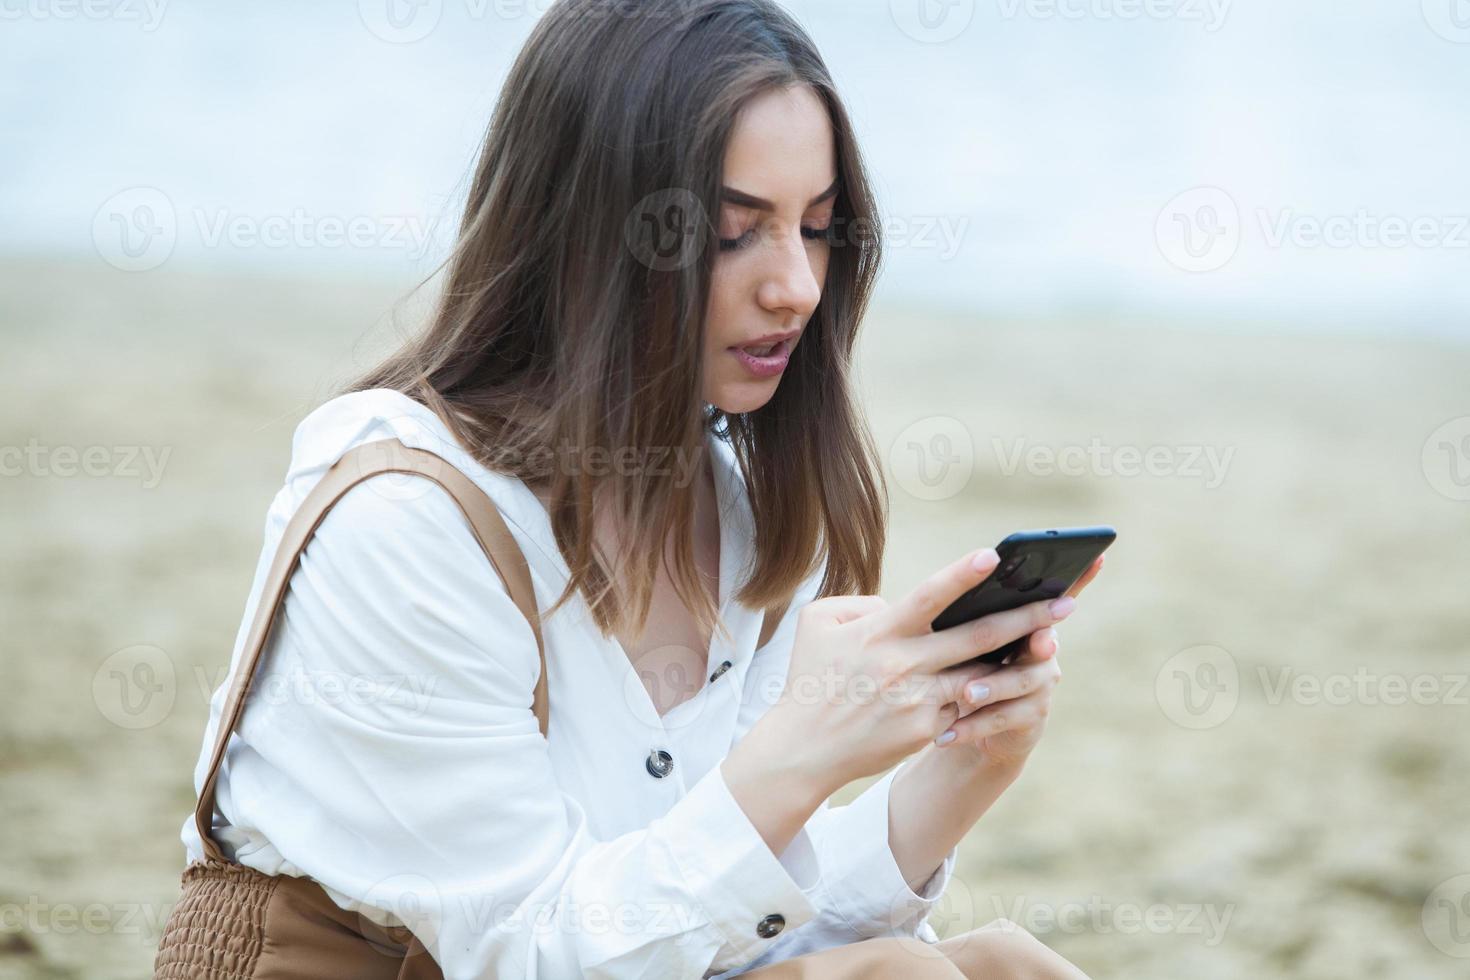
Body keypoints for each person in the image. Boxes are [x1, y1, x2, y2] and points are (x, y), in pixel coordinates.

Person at [178, 1, 1100, 976]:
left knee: (1004, 961)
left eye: (819, 228)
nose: (796, 284)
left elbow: (703, 930)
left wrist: (956, 772)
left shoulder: (738, 511)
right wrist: (798, 754)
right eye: (738, 232)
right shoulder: (406, 521)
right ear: (589, 235)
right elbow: (529, 951)